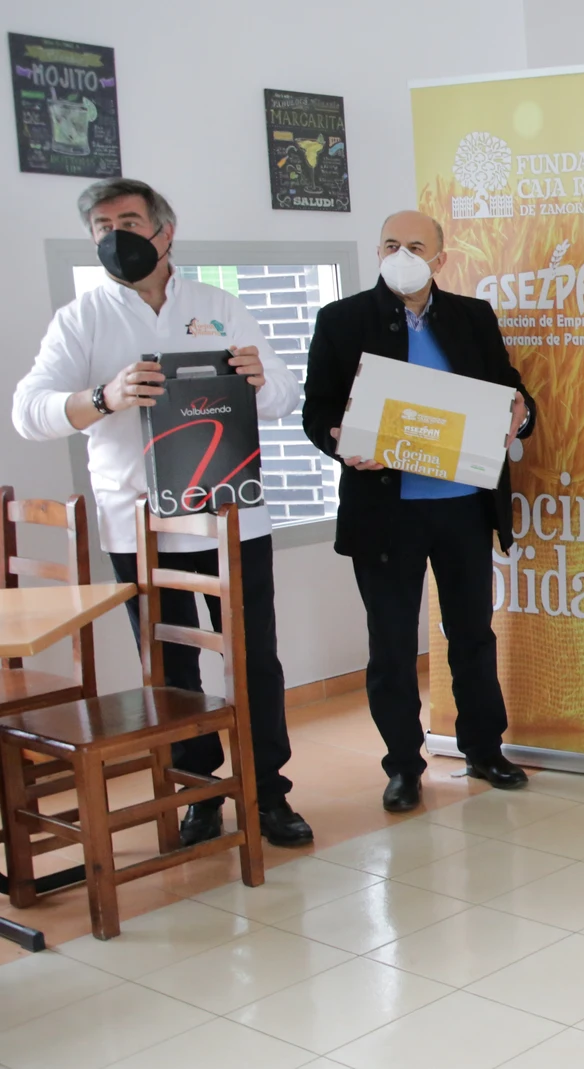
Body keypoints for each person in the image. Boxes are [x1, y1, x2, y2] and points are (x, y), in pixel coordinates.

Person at [12, 179, 311, 848]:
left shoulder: (218, 304)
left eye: (127, 219)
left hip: (234, 518)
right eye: (100, 225)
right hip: (140, 528)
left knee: (253, 658)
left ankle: (268, 793)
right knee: (172, 670)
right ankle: (198, 792)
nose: (112, 232)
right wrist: (103, 395)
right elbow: (27, 411)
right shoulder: (82, 319)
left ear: (164, 231)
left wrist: (259, 379)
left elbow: (286, 395)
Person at [302, 210, 535, 811]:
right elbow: (317, 410)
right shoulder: (341, 319)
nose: (400, 254)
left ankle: (484, 749)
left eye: (414, 245)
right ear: (376, 252)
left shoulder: (471, 317)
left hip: (461, 505)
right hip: (386, 512)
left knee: (471, 636)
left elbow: (509, 388)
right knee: (392, 644)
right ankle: (403, 765)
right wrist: (341, 442)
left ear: (440, 259)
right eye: (389, 244)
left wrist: (520, 412)